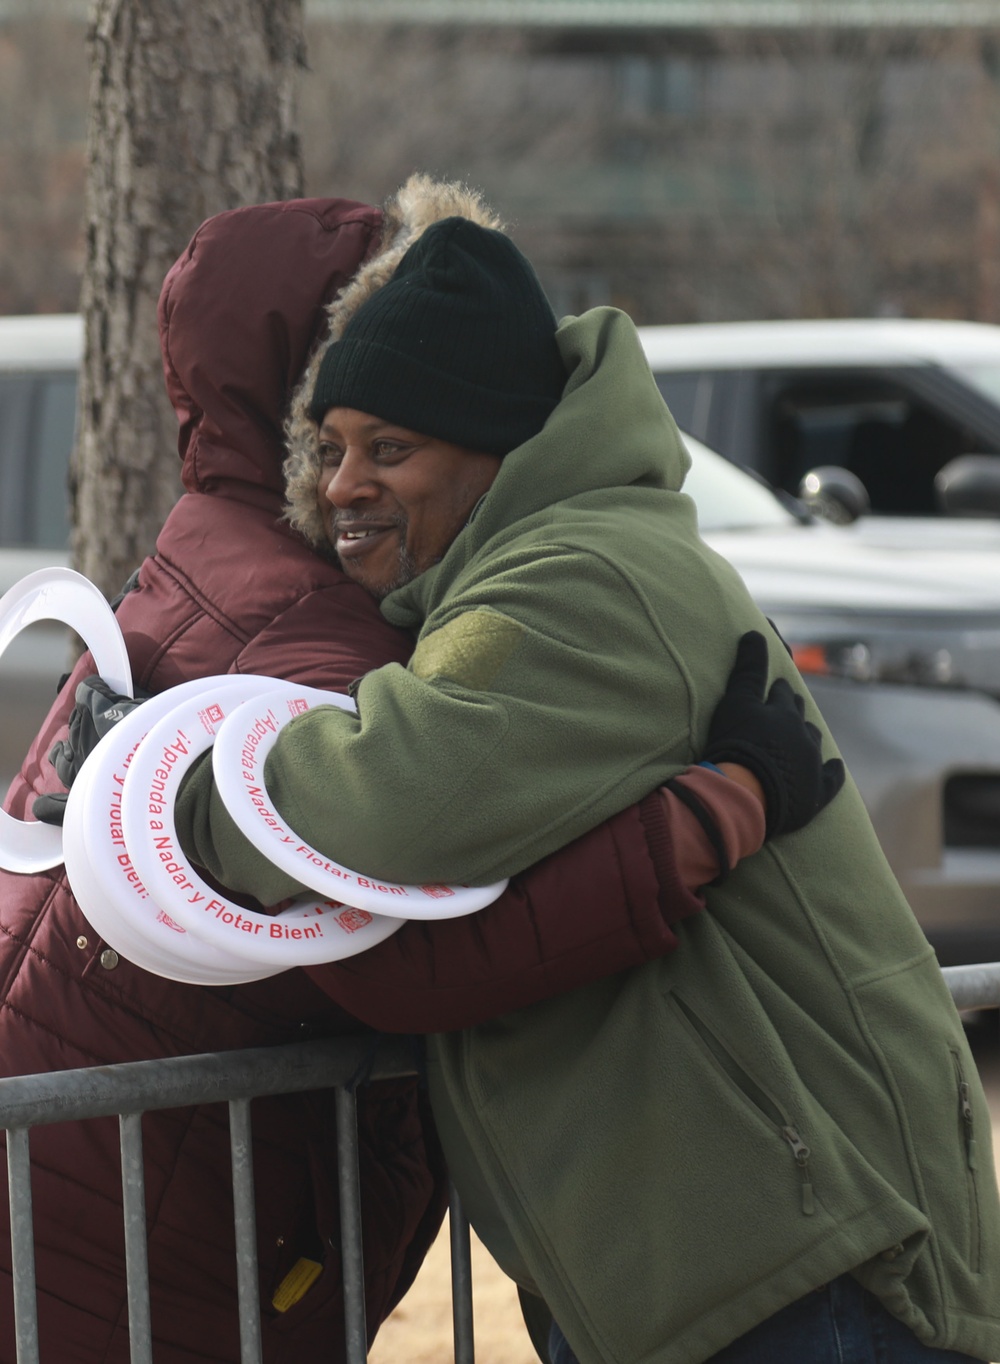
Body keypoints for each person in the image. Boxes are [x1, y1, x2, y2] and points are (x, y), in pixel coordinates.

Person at [2, 179, 819, 1364]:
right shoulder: (316, 631)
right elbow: (405, 959)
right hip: (145, 1247)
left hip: (77, 1200)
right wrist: (711, 813)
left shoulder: (191, 566)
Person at [168, 213, 1000, 1364]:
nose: (343, 483)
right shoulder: (516, 574)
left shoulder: (580, 577)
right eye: (329, 446)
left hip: (800, 1264)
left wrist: (181, 794)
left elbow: (382, 804)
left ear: (499, 448)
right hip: (729, 1258)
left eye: (390, 449)